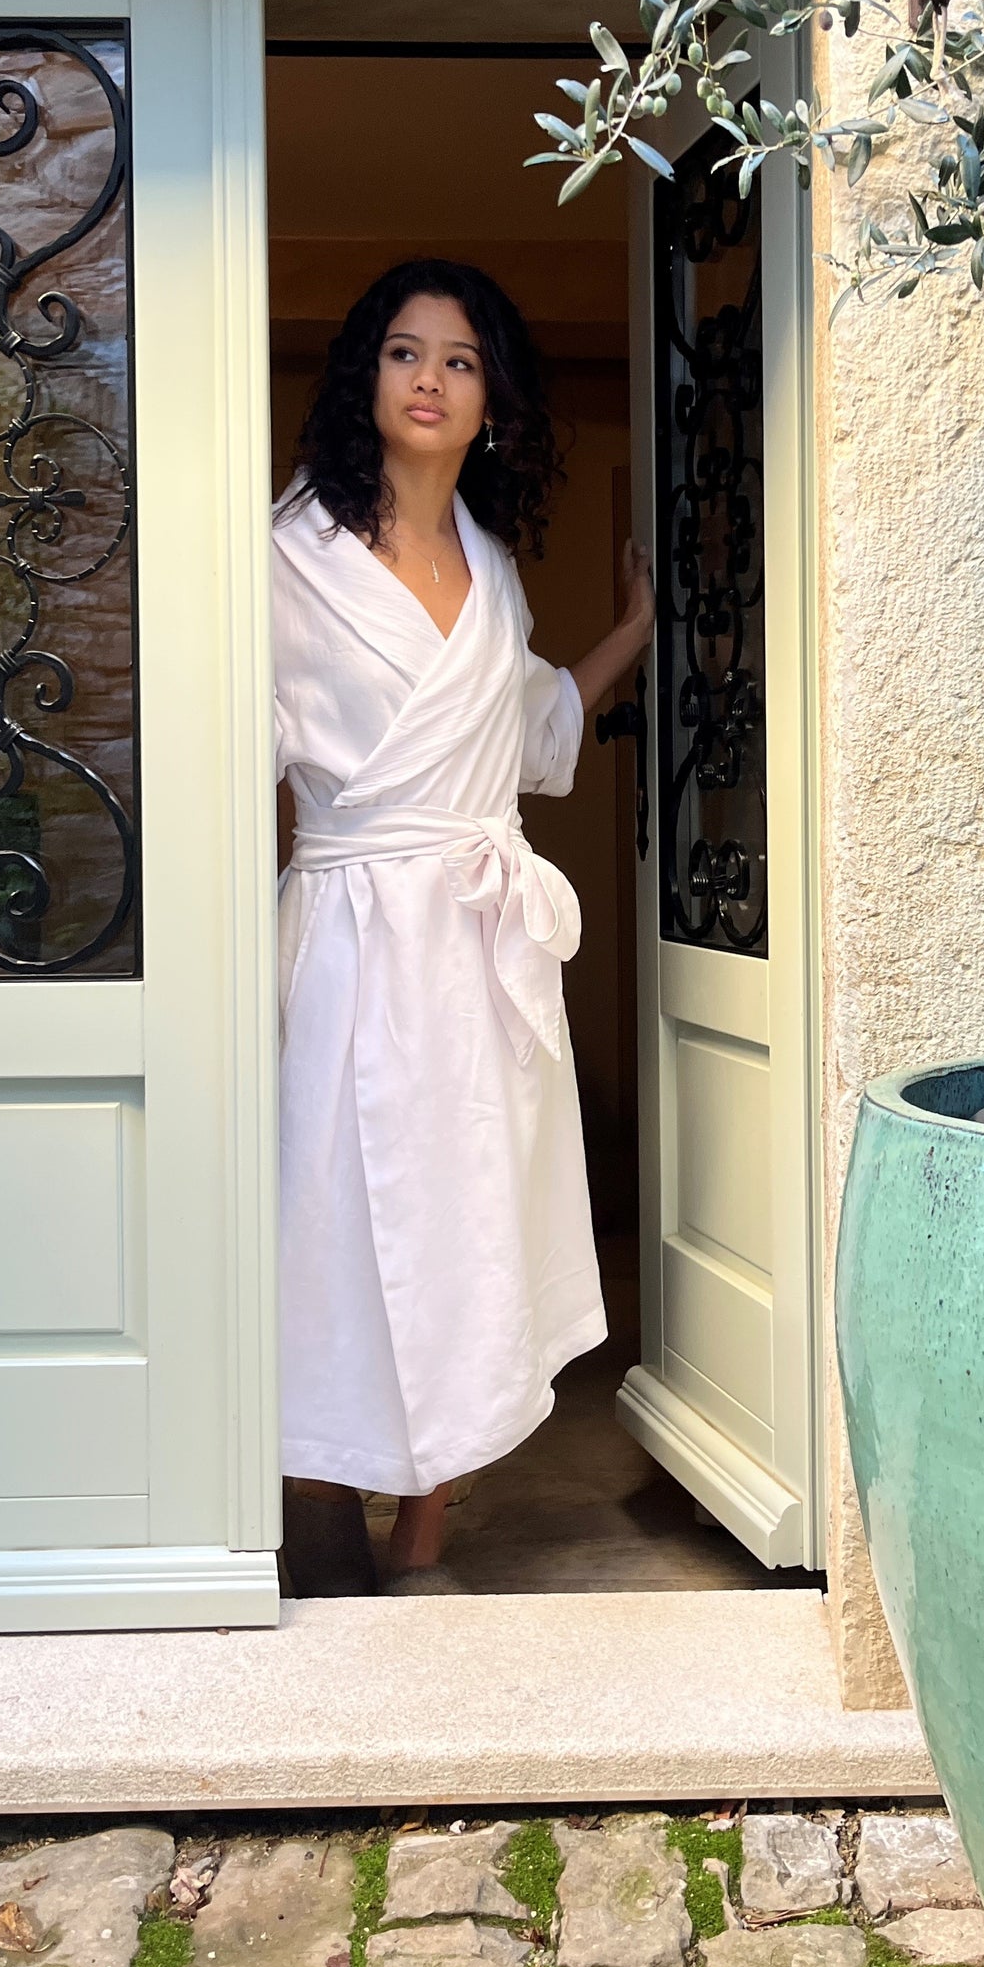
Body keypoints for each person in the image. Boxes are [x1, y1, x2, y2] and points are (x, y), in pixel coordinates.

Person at [271, 257, 654, 1596]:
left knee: (468, 1223)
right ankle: (314, 1492)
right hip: (347, 932)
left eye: (459, 359)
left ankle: (425, 1533)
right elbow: (222, 746)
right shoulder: (291, 554)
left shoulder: (490, 567)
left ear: (491, 401)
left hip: (477, 948)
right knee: (324, 1217)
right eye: (401, 352)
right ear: (362, 381)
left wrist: (633, 634)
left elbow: (535, 725)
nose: (428, 378)